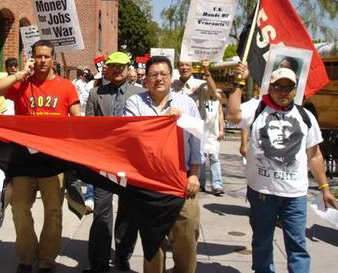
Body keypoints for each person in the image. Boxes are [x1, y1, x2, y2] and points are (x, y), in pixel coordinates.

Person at [226, 64, 337, 273]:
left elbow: (314, 156)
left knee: (297, 247)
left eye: (288, 88)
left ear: (295, 90)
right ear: (270, 87)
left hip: (294, 196)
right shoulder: (258, 107)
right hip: (262, 194)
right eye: (278, 87)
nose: (283, 92)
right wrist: (238, 82)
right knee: (262, 243)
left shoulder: (305, 117)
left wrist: (324, 187)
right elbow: (232, 115)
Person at [0, 40, 80, 273]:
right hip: (23, 158)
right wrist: (20, 74)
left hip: (53, 159)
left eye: (46, 57)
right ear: (32, 57)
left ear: (53, 59)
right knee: (19, 208)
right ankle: (27, 256)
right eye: (37, 56)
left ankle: (47, 260)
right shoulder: (22, 84)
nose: (42, 61)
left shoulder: (66, 86)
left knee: (53, 212)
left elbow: (77, 120)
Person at [124, 56, 203, 273]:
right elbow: (134, 136)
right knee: (152, 244)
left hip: (182, 183)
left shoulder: (186, 104)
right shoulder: (135, 103)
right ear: (146, 79)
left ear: (171, 77)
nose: (159, 79)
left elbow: (197, 143)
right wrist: (164, 123)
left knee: (186, 238)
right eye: (153, 75)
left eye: (163, 74)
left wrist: (194, 175)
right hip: (148, 184)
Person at [84, 51, 145, 273]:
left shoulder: (141, 93)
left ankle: (123, 257)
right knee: (101, 210)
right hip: (104, 162)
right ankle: (98, 262)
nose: (117, 70)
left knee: (128, 213)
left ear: (128, 69)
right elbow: (88, 129)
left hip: (131, 163)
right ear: (107, 69)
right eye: (113, 66)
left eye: (121, 66)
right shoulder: (95, 94)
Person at [199, 91, 225, 195]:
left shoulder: (217, 101)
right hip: (202, 132)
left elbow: (220, 114)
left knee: (214, 158)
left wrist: (222, 129)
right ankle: (201, 183)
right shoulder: (201, 99)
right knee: (201, 159)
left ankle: (217, 184)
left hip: (214, 134)